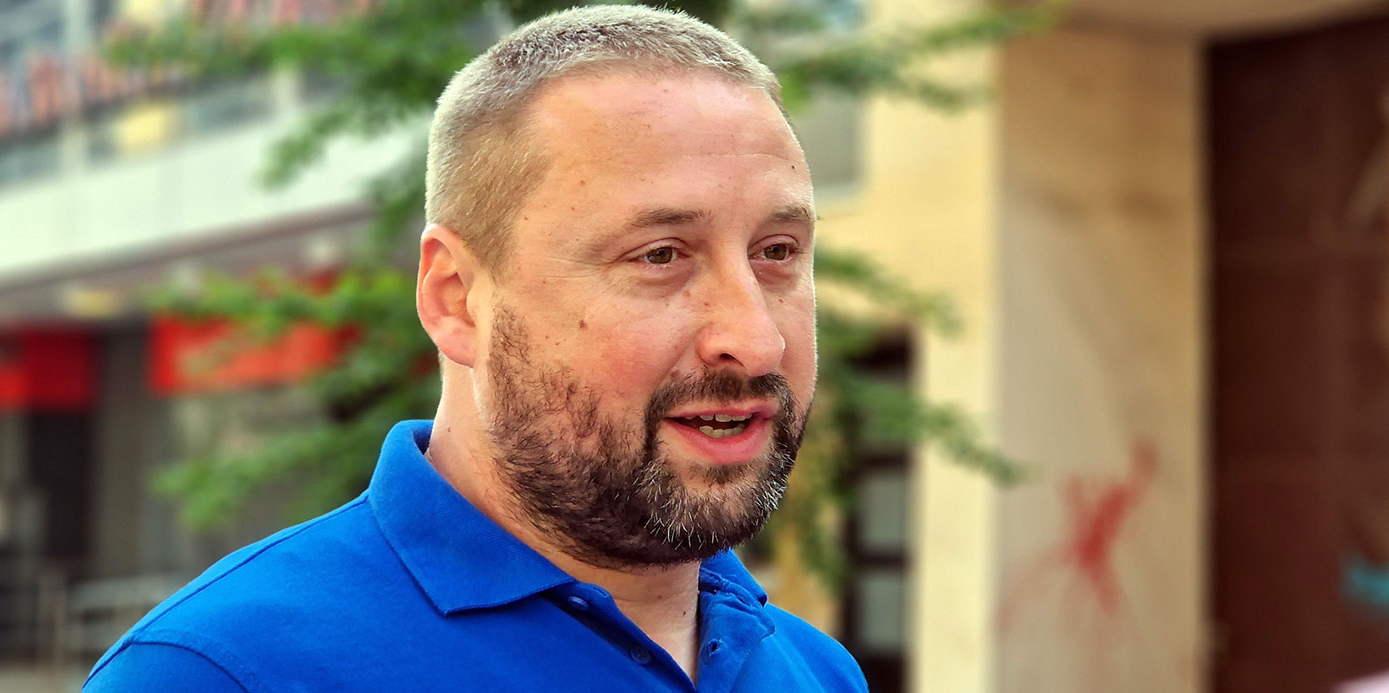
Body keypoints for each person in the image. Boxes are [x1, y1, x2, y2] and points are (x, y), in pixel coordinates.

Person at [85, 5, 865, 691]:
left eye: (778, 252)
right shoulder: (217, 671)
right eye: (659, 255)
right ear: (455, 298)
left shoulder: (818, 669)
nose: (755, 339)